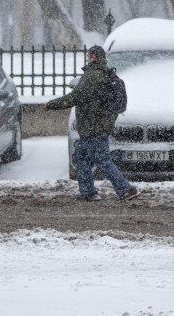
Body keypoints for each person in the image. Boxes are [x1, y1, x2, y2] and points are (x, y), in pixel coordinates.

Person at [43, 45, 139, 202]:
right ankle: (88, 192)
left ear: (93, 57)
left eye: (88, 56)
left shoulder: (92, 75)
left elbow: (75, 97)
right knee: (80, 157)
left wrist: (52, 104)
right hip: (96, 125)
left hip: (94, 126)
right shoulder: (102, 73)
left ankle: (126, 189)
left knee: (103, 161)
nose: (87, 59)